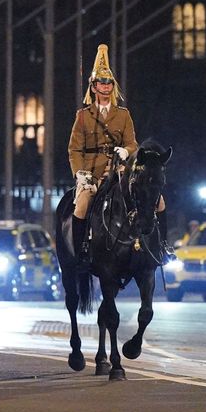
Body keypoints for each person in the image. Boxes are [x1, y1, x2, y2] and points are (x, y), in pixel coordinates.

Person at [67, 43, 149, 267]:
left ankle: (156, 246)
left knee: (152, 199)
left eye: (109, 83)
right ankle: (80, 253)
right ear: (93, 87)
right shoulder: (83, 116)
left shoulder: (123, 115)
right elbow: (75, 149)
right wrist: (79, 173)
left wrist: (127, 150)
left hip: (118, 171)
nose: (105, 86)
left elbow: (132, 143)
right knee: (82, 205)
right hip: (92, 173)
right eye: (101, 83)